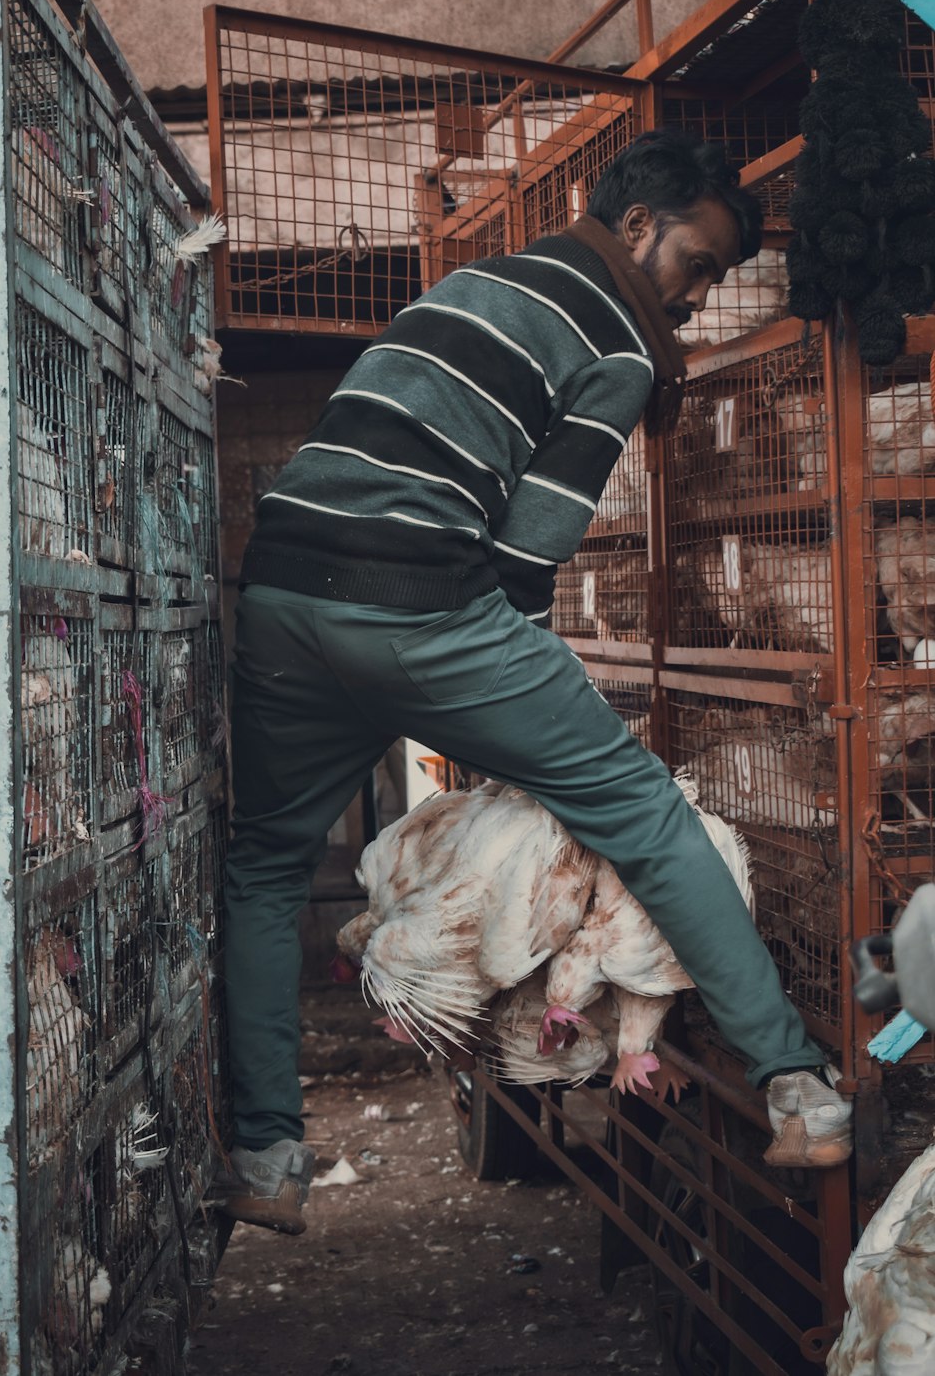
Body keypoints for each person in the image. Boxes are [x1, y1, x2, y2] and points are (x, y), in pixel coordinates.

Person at [213, 131, 853, 1235]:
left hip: (278, 593)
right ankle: (796, 1085)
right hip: (419, 603)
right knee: (646, 814)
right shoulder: (616, 334)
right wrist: (505, 717)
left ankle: (269, 1160)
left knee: (264, 868)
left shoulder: (474, 282)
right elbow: (525, 557)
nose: (695, 298)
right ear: (639, 226)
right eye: (695, 264)